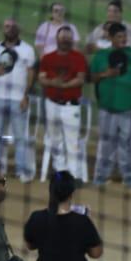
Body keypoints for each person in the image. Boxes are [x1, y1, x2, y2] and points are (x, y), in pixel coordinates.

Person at [89, 23, 131, 185]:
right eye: (119, 37)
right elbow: (91, 78)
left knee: (126, 144)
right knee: (106, 144)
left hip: (127, 107)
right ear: (111, 38)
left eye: (124, 36)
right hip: (106, 107)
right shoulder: (101, 56)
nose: (123, 39)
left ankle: (128, 179)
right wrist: (105, 73)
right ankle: (100, 177)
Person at [0, 19, 36, 182]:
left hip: (18, 99)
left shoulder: (27, 49)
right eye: (6, 26)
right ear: (2, 30)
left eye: (12, 26)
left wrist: (26, 95)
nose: (9, 29)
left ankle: (21, 170)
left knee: (19, 136)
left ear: (17, 29)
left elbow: (31, 74)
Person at [37, 26, 89, 177]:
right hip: (51, 104)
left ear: (72, 40)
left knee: (72, 143)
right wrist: (55, 83)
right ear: (57, 39)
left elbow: (80, 79)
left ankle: (73, 176)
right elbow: (41, 78)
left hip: (70, 106)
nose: (65, 40)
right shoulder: (48, 58)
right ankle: (60, 173)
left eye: (68, 37)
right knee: (55, 142)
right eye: (62, 37)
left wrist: (63, 85)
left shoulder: (78, 57)